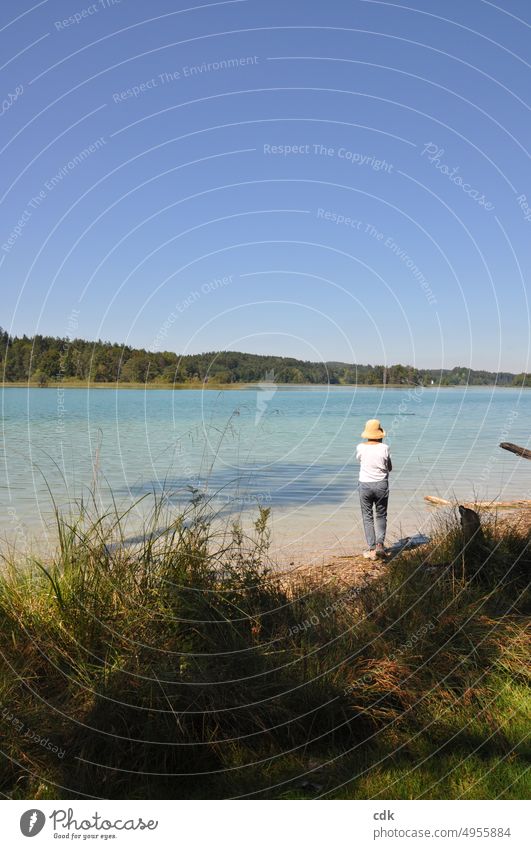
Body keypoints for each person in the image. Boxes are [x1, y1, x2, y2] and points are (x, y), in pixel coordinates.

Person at [356, 419, 392, 560]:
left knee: (367, 517)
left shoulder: (360, 447)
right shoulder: (385, 448)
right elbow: (389, 467)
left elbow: (361, 461)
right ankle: (380, 546)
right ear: (380, 434)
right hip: (381, 484)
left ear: (367, 434)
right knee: (381, 515)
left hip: (365, 484)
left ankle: (371, 550)